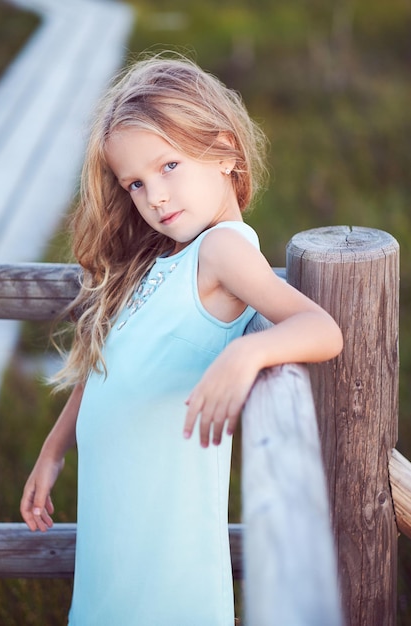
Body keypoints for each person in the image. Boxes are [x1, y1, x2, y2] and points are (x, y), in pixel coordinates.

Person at [20, 53, 343, 625]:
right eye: (136, 183)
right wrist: (53, 451)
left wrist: (249, 350)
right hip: (112, 526)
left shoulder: (222, 250)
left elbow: (322, 329)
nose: (155, 198)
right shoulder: (160, 260)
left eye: (169, 166)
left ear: (222, 151)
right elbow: (107, 365)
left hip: (166, 548)